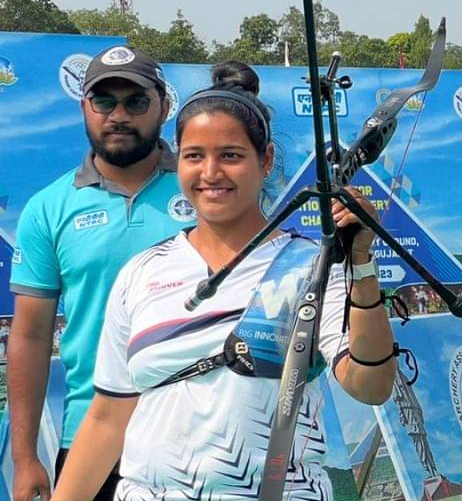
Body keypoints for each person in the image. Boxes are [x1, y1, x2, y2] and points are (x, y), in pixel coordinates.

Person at [51, 62, 397, 500]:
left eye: (231, 155)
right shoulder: (141, 272)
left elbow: (370, 385)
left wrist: (360, 266)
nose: (210, 172)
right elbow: (107, 417)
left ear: (265, 160)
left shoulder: (311, 266)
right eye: (194, 155)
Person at [9, 45, 191, 501]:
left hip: (198, 431)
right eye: (104, 101)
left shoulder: (207, 192)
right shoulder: (49, 208)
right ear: (85, 106)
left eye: (136, 101)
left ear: (164, 107)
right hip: (92, 436)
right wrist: (26, 457)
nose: (119, 115)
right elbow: (30, 336)